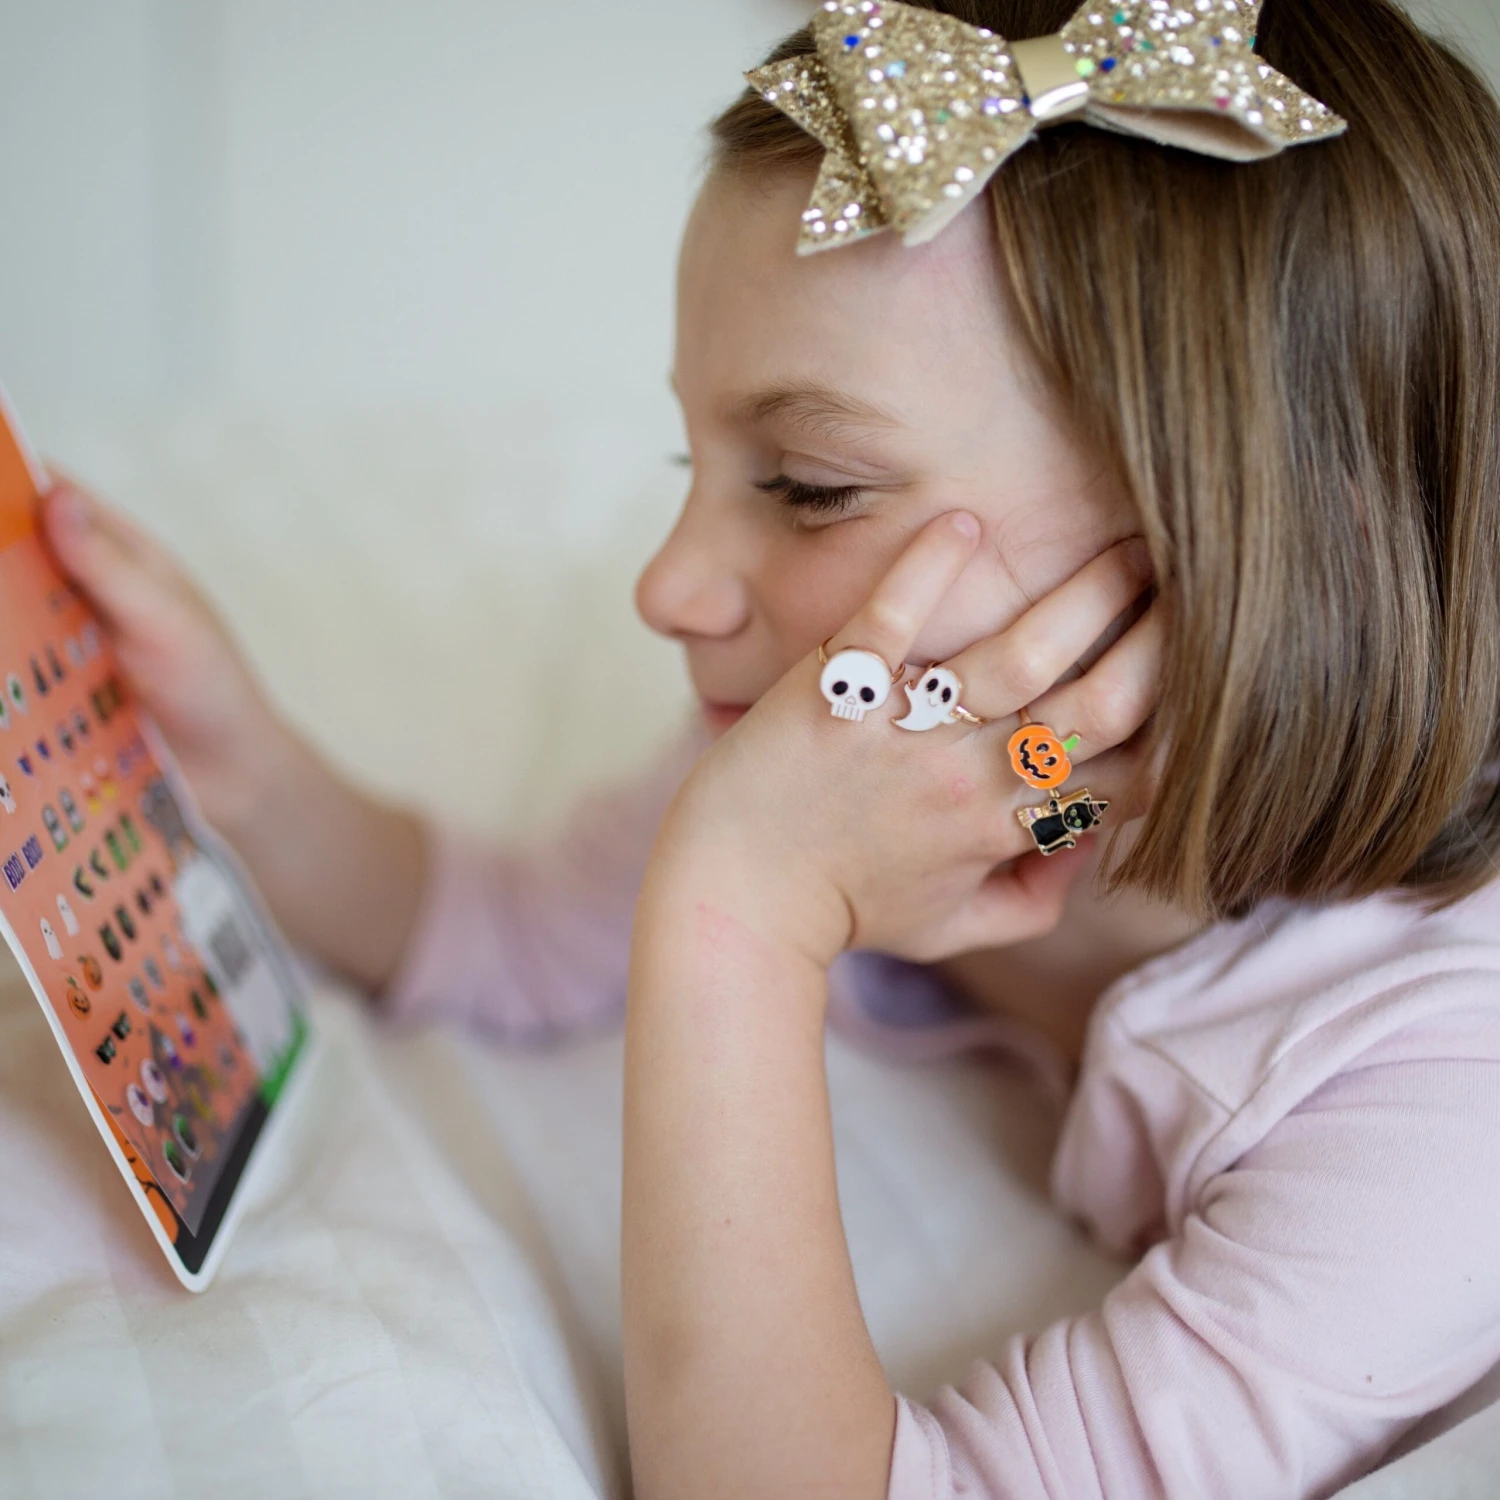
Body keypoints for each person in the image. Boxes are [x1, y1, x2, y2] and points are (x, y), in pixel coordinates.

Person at [39, 0, 1500, 1495]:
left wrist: (740, 922)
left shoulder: (1442, 1098)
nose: (667, 588)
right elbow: (505, 934)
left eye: (806, 486)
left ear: (1249, 563)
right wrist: (246, 767)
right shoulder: (890, 760)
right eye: (693, 462)